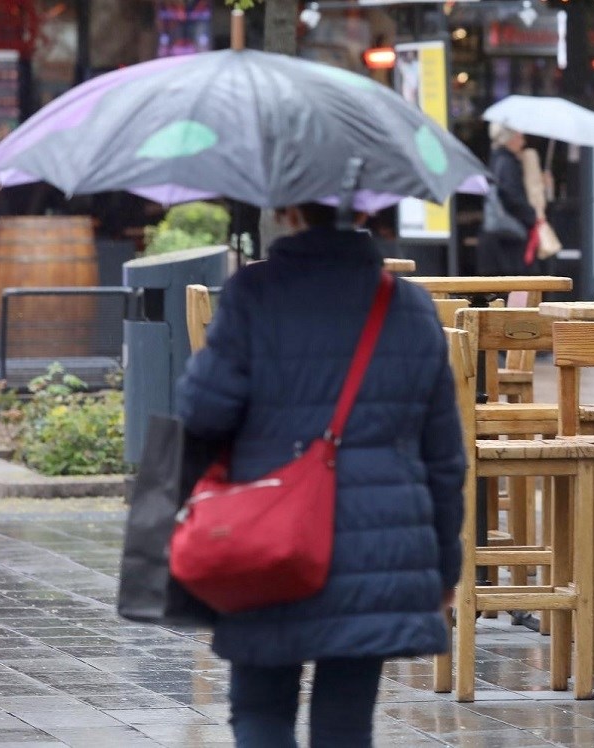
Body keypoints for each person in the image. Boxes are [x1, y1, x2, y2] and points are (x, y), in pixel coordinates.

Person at [176, 202, 466, 748]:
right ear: (362, 208)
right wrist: (445, 566)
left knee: (260, 711)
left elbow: (202, 414)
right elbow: (444, 457)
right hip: (376, 545)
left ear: (289, 211)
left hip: (266, 538)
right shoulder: (405, 306)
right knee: (346, 724)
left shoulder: (253, 295)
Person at [477, 123, 537, 276]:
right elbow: (511, 195)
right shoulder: (507, 162)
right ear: (509, 139)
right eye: (519, 137)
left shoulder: (496, 159)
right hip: (507, 238)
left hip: (496, 238)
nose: (523, 142)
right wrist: (531, 216)